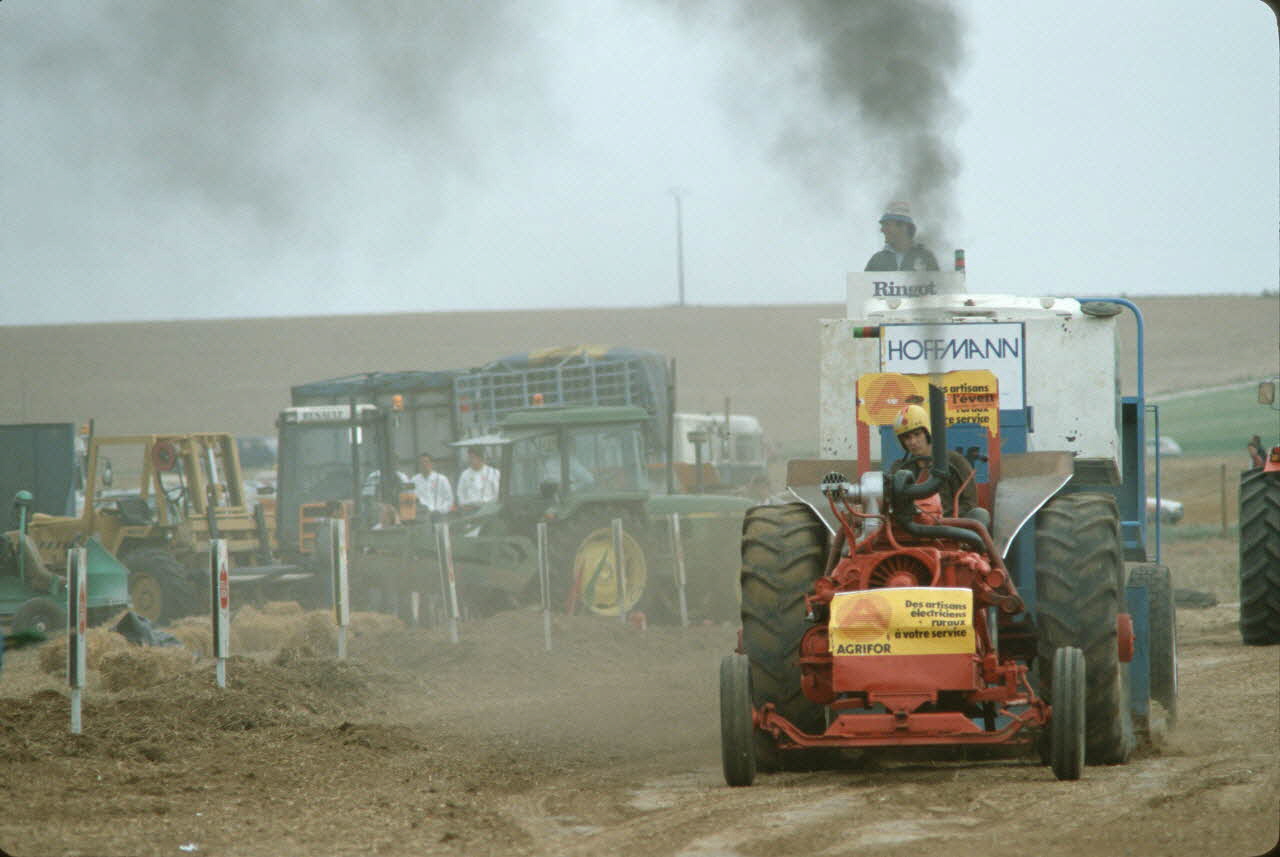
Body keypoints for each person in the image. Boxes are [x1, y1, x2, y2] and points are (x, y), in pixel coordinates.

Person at [888, 404, 990, 528]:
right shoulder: (899, 470)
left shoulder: (955, 461)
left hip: (948, 527)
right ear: (902, 442)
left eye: (917, 434)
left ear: (927, 433)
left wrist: (947, 521)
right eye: (907, 437)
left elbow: (969, 503)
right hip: (911, 528)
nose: (913, 442)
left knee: (981, 514)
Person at [864, 201, 940, 272]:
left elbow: (939, 285)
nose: (882, 230)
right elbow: (865, 285)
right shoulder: (877, 260)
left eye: (887, 225)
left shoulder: (925, 257)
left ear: (903, 227)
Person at [410, 452, 454, 519]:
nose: (424, 464)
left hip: (440, 515)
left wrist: (440, 511)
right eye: (421, 463)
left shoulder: (441, 479)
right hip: (422, 516)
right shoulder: (414, 480)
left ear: (431, 463)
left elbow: (449, 499)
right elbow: (411, 498)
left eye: (426, 462)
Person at [456, 446, 500, 511]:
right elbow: (460, 494)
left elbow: (498, 493)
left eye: (473, 457)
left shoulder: (493, 472)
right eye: (469, 457)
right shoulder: (465, 474)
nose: (470, 460)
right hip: (470, 509)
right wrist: (464, 505)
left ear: (480, 458)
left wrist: (490, 505)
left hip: (489, 509)